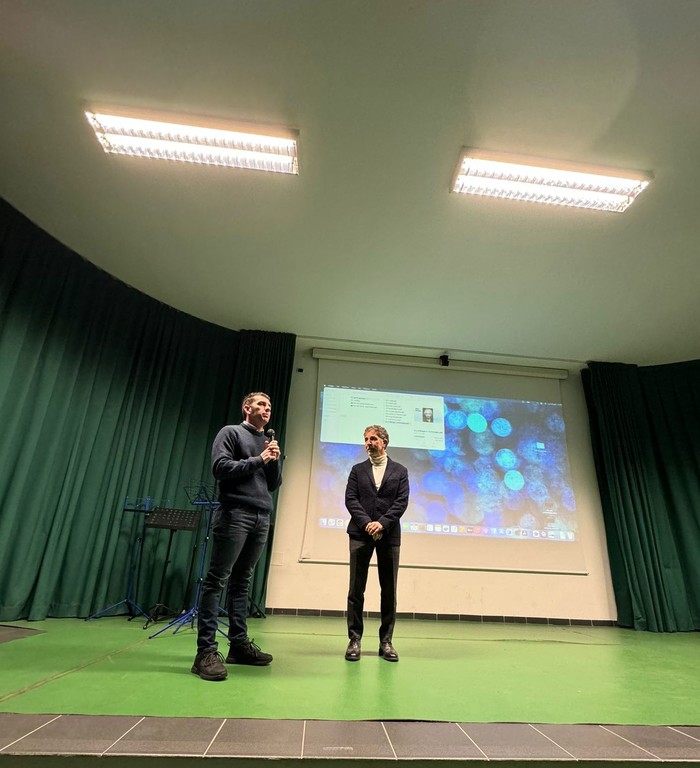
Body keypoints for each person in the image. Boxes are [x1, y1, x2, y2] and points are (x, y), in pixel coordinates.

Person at [191, 392, 282, 681]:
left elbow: (273, 484)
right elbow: (220, 468)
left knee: (242, 582)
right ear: (246, 408)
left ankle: (239, 646)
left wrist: (273, 459)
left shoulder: (267, 441)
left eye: (269, 406)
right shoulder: (230, 433)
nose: (266, 409)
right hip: (235, 514)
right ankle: (205, 652)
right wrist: (259, 458)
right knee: (217, 580)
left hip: (261, 516)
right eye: (261, 404)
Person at [344, 425, 409, 663]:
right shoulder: (357, 470)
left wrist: (381, 524)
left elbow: (401, 502)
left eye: (373, 439)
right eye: (366, 439)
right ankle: (354, 640)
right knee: (356, 590)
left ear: (384, 442)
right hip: (360, 534)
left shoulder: (400, 471)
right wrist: (367, 524)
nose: (368, 443)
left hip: (389, 535)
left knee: (389, 590)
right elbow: (351, 499)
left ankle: (386, 642)